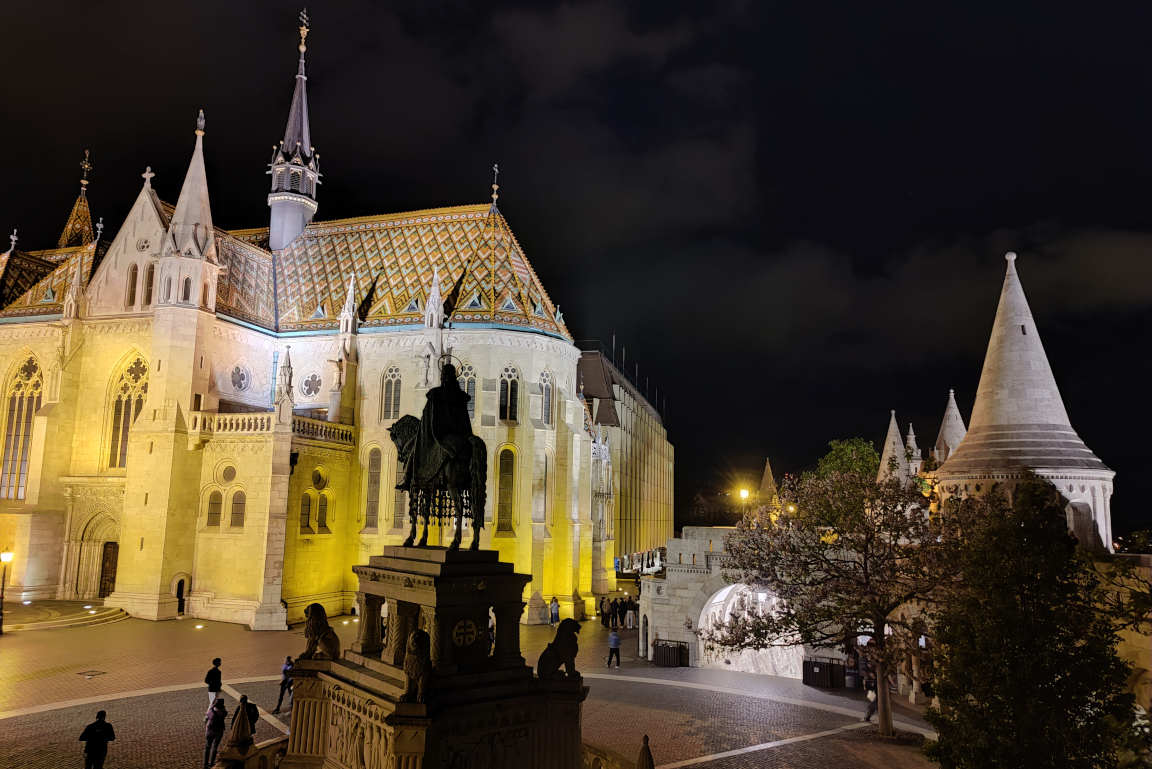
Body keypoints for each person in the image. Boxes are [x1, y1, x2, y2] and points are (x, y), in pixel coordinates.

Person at [204, 698, 227, 769]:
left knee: (208, 746)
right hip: (219, 730)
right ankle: (212, 763)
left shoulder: (211, 710)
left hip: (210, 730)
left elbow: (206, 717)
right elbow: (225, 713)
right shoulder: (223, 712)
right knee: (215, 747)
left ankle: (205, 763)